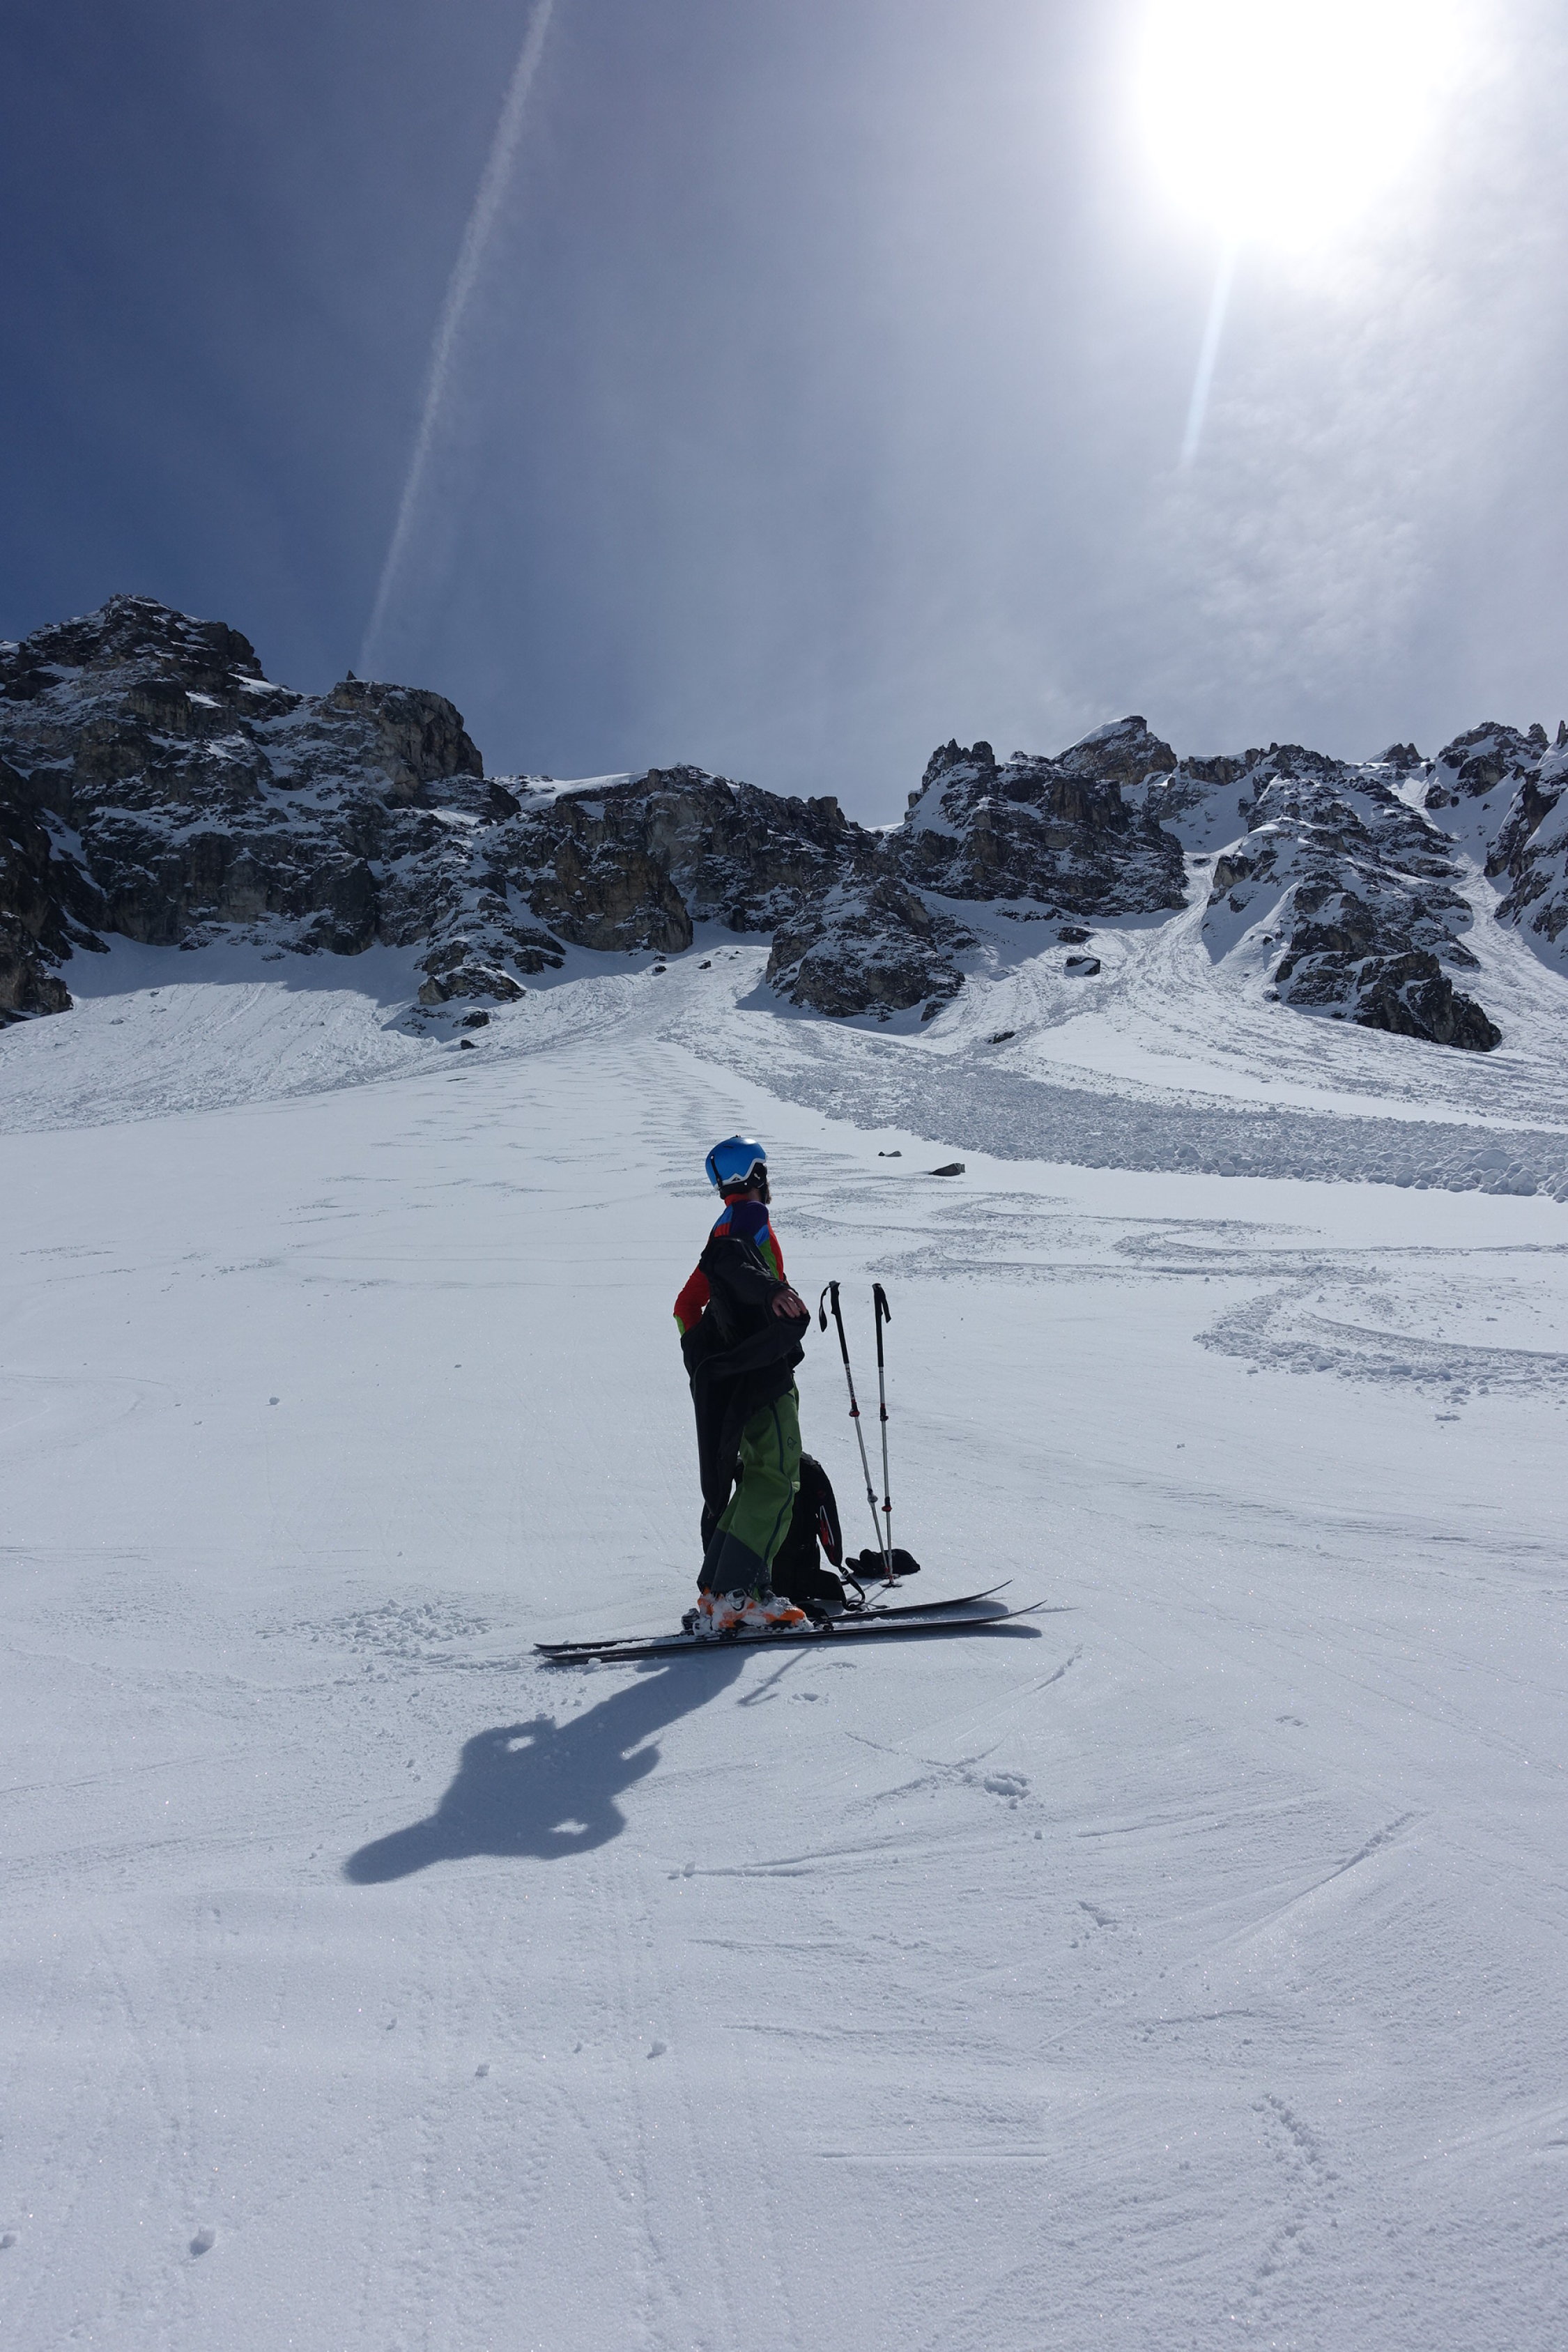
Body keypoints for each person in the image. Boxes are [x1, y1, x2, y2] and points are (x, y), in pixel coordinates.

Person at [673, 1136, 812, 1634]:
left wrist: (712, 1361)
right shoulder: (750, 1219)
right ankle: (740, 1597)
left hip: (740, 1379)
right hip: (765, 1378)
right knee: (776, 1479)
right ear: (758, 1176)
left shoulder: (721, 1228)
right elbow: (739, 1268)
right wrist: (772, 1292)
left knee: (755, 1479)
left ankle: (719, 1593)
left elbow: (685, 1307)